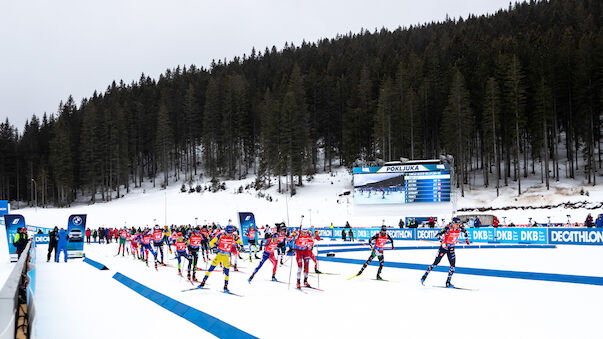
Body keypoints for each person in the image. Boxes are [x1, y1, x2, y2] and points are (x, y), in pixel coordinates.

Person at [421, 217, 470, 288]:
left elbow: (465, 232)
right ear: (453, 223)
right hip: (443, 248)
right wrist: (443, 242)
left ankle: (448, 282)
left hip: (451, 248)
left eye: (458, 224)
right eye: (456, 224)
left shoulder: (459, 228)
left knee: (452, 267)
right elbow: (438, 235)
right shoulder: (447, 228)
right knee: (435, 263)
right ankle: (424, 277)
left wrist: (467, 240)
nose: (458, 225)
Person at [199, 225, 243, 293]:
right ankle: (203, 282)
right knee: (210, 269)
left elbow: (239, 241)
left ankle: (225, 286)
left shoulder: (233, 236)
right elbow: (212, 241)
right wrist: (210, 245)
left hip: (226, 256)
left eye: (231, 232)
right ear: (226, 231)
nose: (230, 234)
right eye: (229, 232)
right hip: (219, 255)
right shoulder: (220, 235)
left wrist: (241, 245)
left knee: (227, 272)